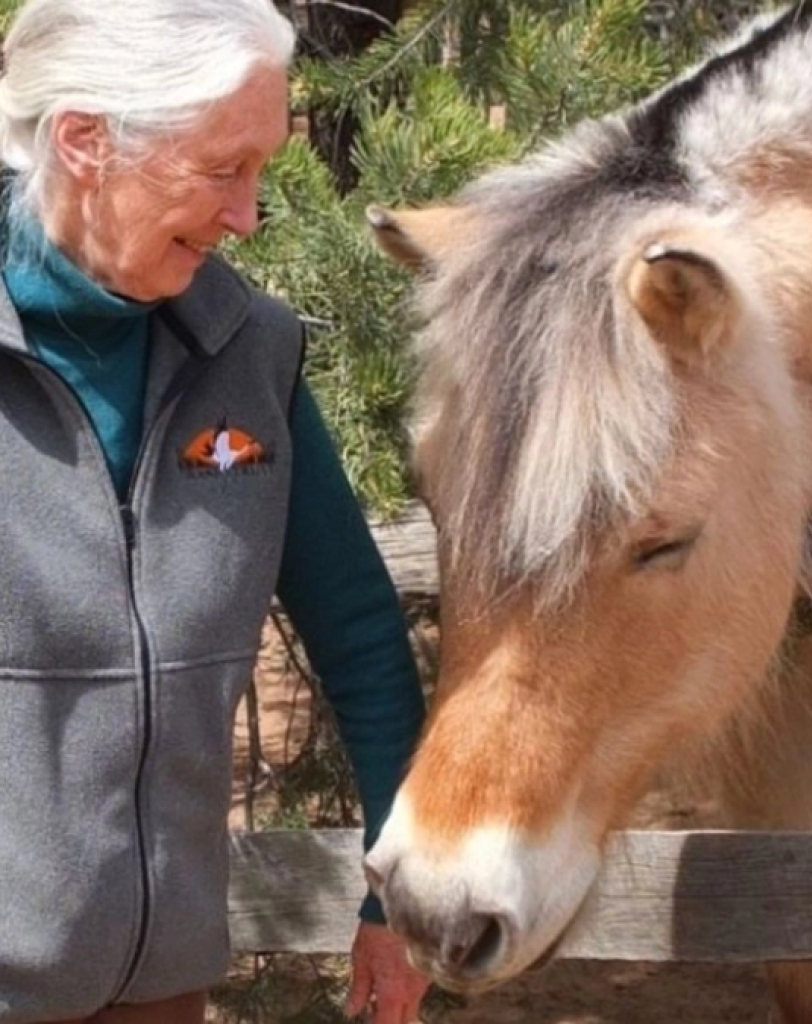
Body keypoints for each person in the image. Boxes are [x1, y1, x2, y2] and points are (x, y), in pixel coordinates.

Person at [0, 1, 429, 1022]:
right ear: (85, 141)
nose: (249, 216)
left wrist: (393, 896)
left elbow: (364, 640)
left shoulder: (251, 352)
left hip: (161, 990)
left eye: (262, 171)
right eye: (222, 168)